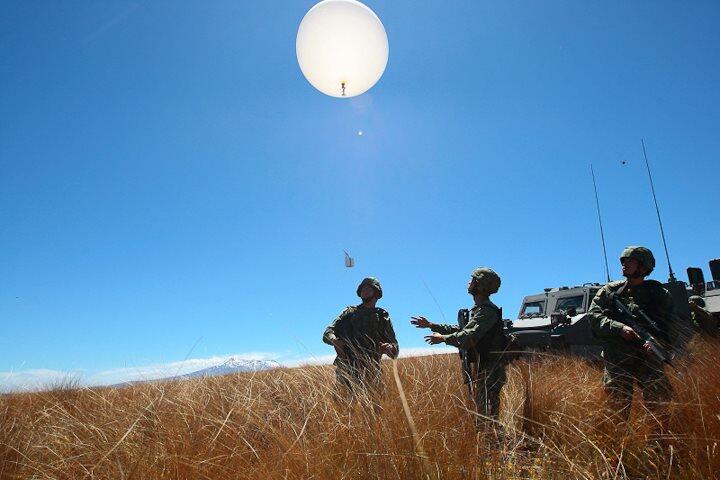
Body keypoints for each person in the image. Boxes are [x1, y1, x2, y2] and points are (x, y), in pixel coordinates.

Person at [587, 246, 676, 430]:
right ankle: (617, 448)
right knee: (617, 406)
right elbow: (594, 317)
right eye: (623, 261)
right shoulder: (610, 292)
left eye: (629, 261)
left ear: (643, 267)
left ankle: (659, 445)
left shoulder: (659, 294)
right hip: (618, 357)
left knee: (659, 402)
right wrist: (619, 328)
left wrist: (659, 345)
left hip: (648, 357)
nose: (624, 264)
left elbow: (671, 326)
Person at [411, 267, 507, 426]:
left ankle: (495, 447)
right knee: (481, 415)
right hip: (482, 369)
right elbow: (462, 330)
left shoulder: (487, 311)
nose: (469, 282)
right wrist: (431, 325)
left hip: (489, 371)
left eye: (473, 280)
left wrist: (443, 339)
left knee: (487, 418)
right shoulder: (479, 310)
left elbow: (469, 337)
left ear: (481, 285)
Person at [323, 277, 398, 395]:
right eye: (362, 288)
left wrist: (389, 347)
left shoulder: (382, 316)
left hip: (372, 370)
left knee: (374, 409)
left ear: (376, 293)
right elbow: (327, 332)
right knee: (344, 409)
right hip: (347, 369)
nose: (364, 290)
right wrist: (334, 341)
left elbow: (395, 350)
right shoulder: (349, 312)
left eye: (368, 288)